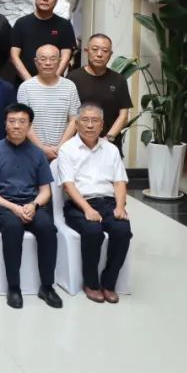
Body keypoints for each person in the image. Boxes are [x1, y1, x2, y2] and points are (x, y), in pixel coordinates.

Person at [0, 103, 61, 309]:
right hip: (2, 207)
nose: (17, 126)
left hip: (32, 205)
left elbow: (46, 191)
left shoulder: (38, 154)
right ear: (5, 124)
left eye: (22, 122)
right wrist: (13, 207)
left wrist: (33, 205)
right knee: (13, 228)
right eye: (12, 121)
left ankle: (47, 287)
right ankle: (14, 287)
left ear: (29, 126)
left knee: (48, 228)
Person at [58, 104, 132, 303]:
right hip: (78, 204)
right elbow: (68, 186)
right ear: (76, 124)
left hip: (108, 202)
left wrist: (120, 207)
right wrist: (87, 209)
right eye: (85, 120)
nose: (90, 125)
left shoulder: (111, 150)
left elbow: (119, 182)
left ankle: (108, 283)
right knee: (93, 231)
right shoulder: (67, 149)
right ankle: (91, 284)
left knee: (122, 230)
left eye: (95, 121)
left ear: (102, 125)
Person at [67, 34, 132, 147]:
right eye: (95, 49)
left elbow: (124, 116)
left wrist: (107, 139)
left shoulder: (119, 80)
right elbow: (69, 115)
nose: (99, 54)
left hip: (110, 144)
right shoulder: (73, 78)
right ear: (86, 51)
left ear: (110, 54)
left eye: (105, 51)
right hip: (78, 145)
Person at [17, 45, 80, 161]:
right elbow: (23, 121)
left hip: (64, 151)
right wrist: (41, 148)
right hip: (32, 152)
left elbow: (74, 119)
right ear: (36, 62)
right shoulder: (25, 87)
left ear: (59, 61)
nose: (48, 63)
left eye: (52, 59)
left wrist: (61, 147)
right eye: (43, 59)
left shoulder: (70, 86)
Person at [10, 0, 77, 80]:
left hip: (55, 84)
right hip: (24, 83)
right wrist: (30, 82)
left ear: (56, 0)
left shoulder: (64, 25)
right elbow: (14, 56)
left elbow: (66, 56)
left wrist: (53, 80)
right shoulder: (21, 23)